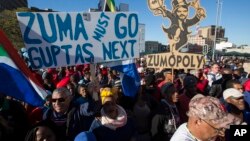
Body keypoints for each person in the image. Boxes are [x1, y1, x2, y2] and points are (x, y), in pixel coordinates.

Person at [171, 94, 241, 141]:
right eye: (218, 129)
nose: (223, 133)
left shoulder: (190, 128)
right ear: (198, 121)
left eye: (223, 127)